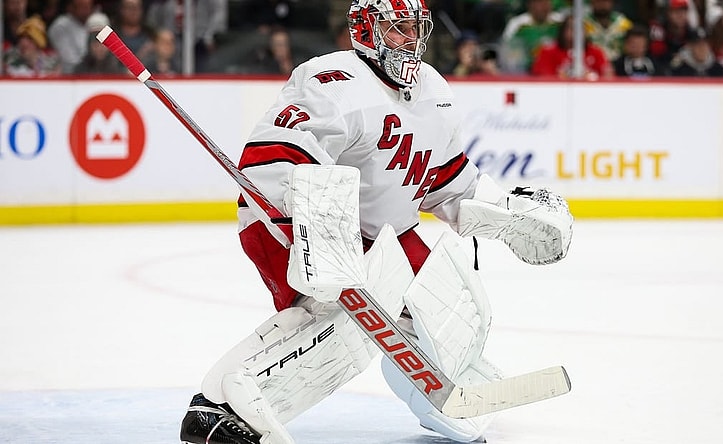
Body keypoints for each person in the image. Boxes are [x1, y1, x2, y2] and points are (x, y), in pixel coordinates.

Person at [177, 0, 574, 443]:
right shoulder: (334, 79)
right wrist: (321, 236)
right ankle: (221, 407)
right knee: (341, 319)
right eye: (398, 28)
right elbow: (272, 158)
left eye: (416, 28)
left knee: (446, 299)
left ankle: (442, 397)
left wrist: (510, 213)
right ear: (366, 29)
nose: (411, 40)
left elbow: (448, 180)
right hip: (289, 219)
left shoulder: (434, 91)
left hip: (382, 234)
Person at [531, 14, 613, 79]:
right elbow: (543, 79)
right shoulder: (548, 52)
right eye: (572, 28)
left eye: (580, 28)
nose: (576, 32)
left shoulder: (596, 52)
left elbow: (608, 77)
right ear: (563, 30)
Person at [499, 0, 564, 73]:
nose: (543, 7)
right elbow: (506, 49)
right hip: (525, 69)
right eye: (539, 3)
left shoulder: (561, 21)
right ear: (529, 5)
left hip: (556, 69)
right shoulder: (517, 24)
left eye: (546, 3)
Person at [47, 0, 94, 74]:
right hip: (68, 75)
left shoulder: (91, 23)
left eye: (89, 7)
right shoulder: (61, 25)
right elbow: (69, 60)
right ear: (71, 8)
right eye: (83, 7)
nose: (87, 11)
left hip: (90, 72)